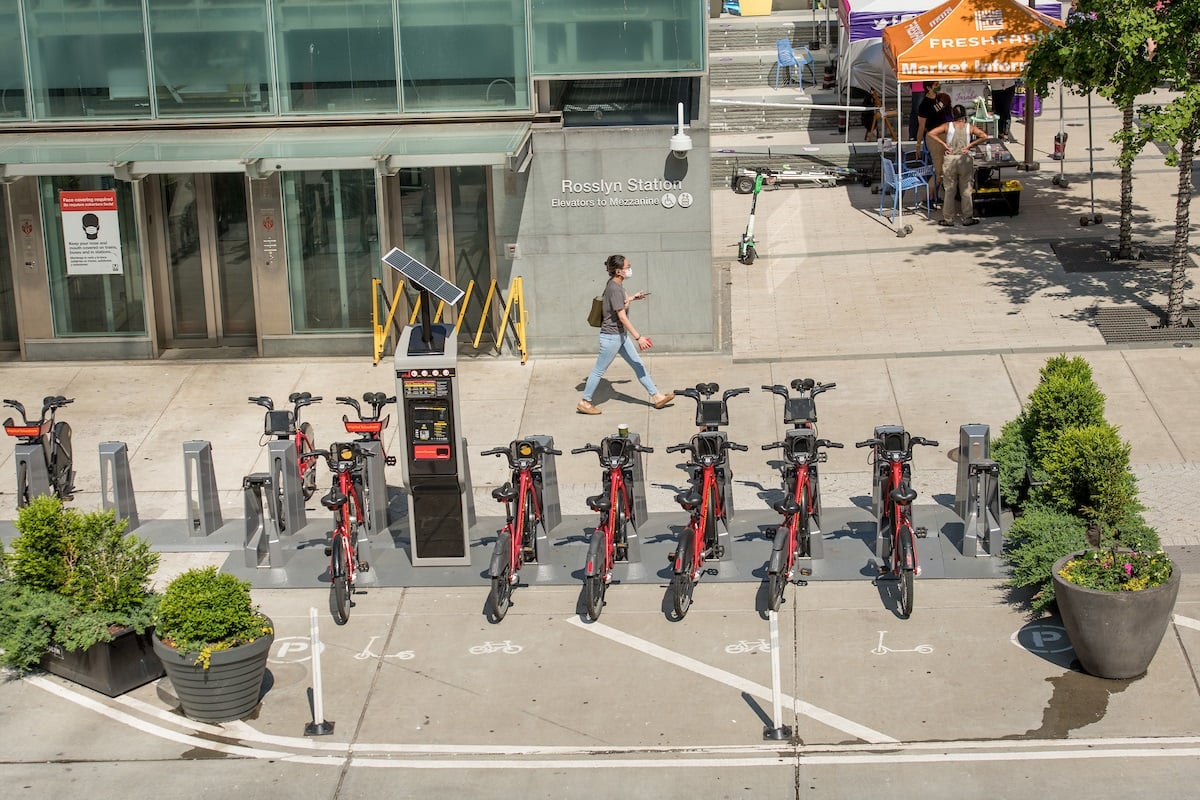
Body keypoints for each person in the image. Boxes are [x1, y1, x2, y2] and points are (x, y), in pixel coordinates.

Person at [577, 255, 674, 415]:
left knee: (638, 364)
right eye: (627, 267)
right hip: (611, 337)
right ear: (618, 271)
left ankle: (657, 397)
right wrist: (639, 337)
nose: (630, 269)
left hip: (620, 336)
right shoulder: (614, 288)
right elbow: (621, 316)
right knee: (598, 371)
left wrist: (632, 298)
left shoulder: (615, 285)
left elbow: (617, 303)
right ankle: (585, 402)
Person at [928, 105, 989, 227]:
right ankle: (967, 217)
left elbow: (931, 133)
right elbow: (984, 136)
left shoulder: (947, 126)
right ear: (964, 115)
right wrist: (970, 146)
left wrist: (944, 144)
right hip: (964, 159)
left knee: (949, 191)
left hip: (950, 159)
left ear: (953, 115)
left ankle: (948, 219)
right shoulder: (969, 127)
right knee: (966, 190)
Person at [915, 82, 948, 203]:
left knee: (942, 169)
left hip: (944, 136)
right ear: (928, 88)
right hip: (934, 138)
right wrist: (918, 145)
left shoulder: (940, 98)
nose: (938, 85)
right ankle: (926, 199)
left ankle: (934, 197)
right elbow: (921, 127)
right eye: (935, 84)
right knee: (939, 171)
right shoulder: (924, 105)